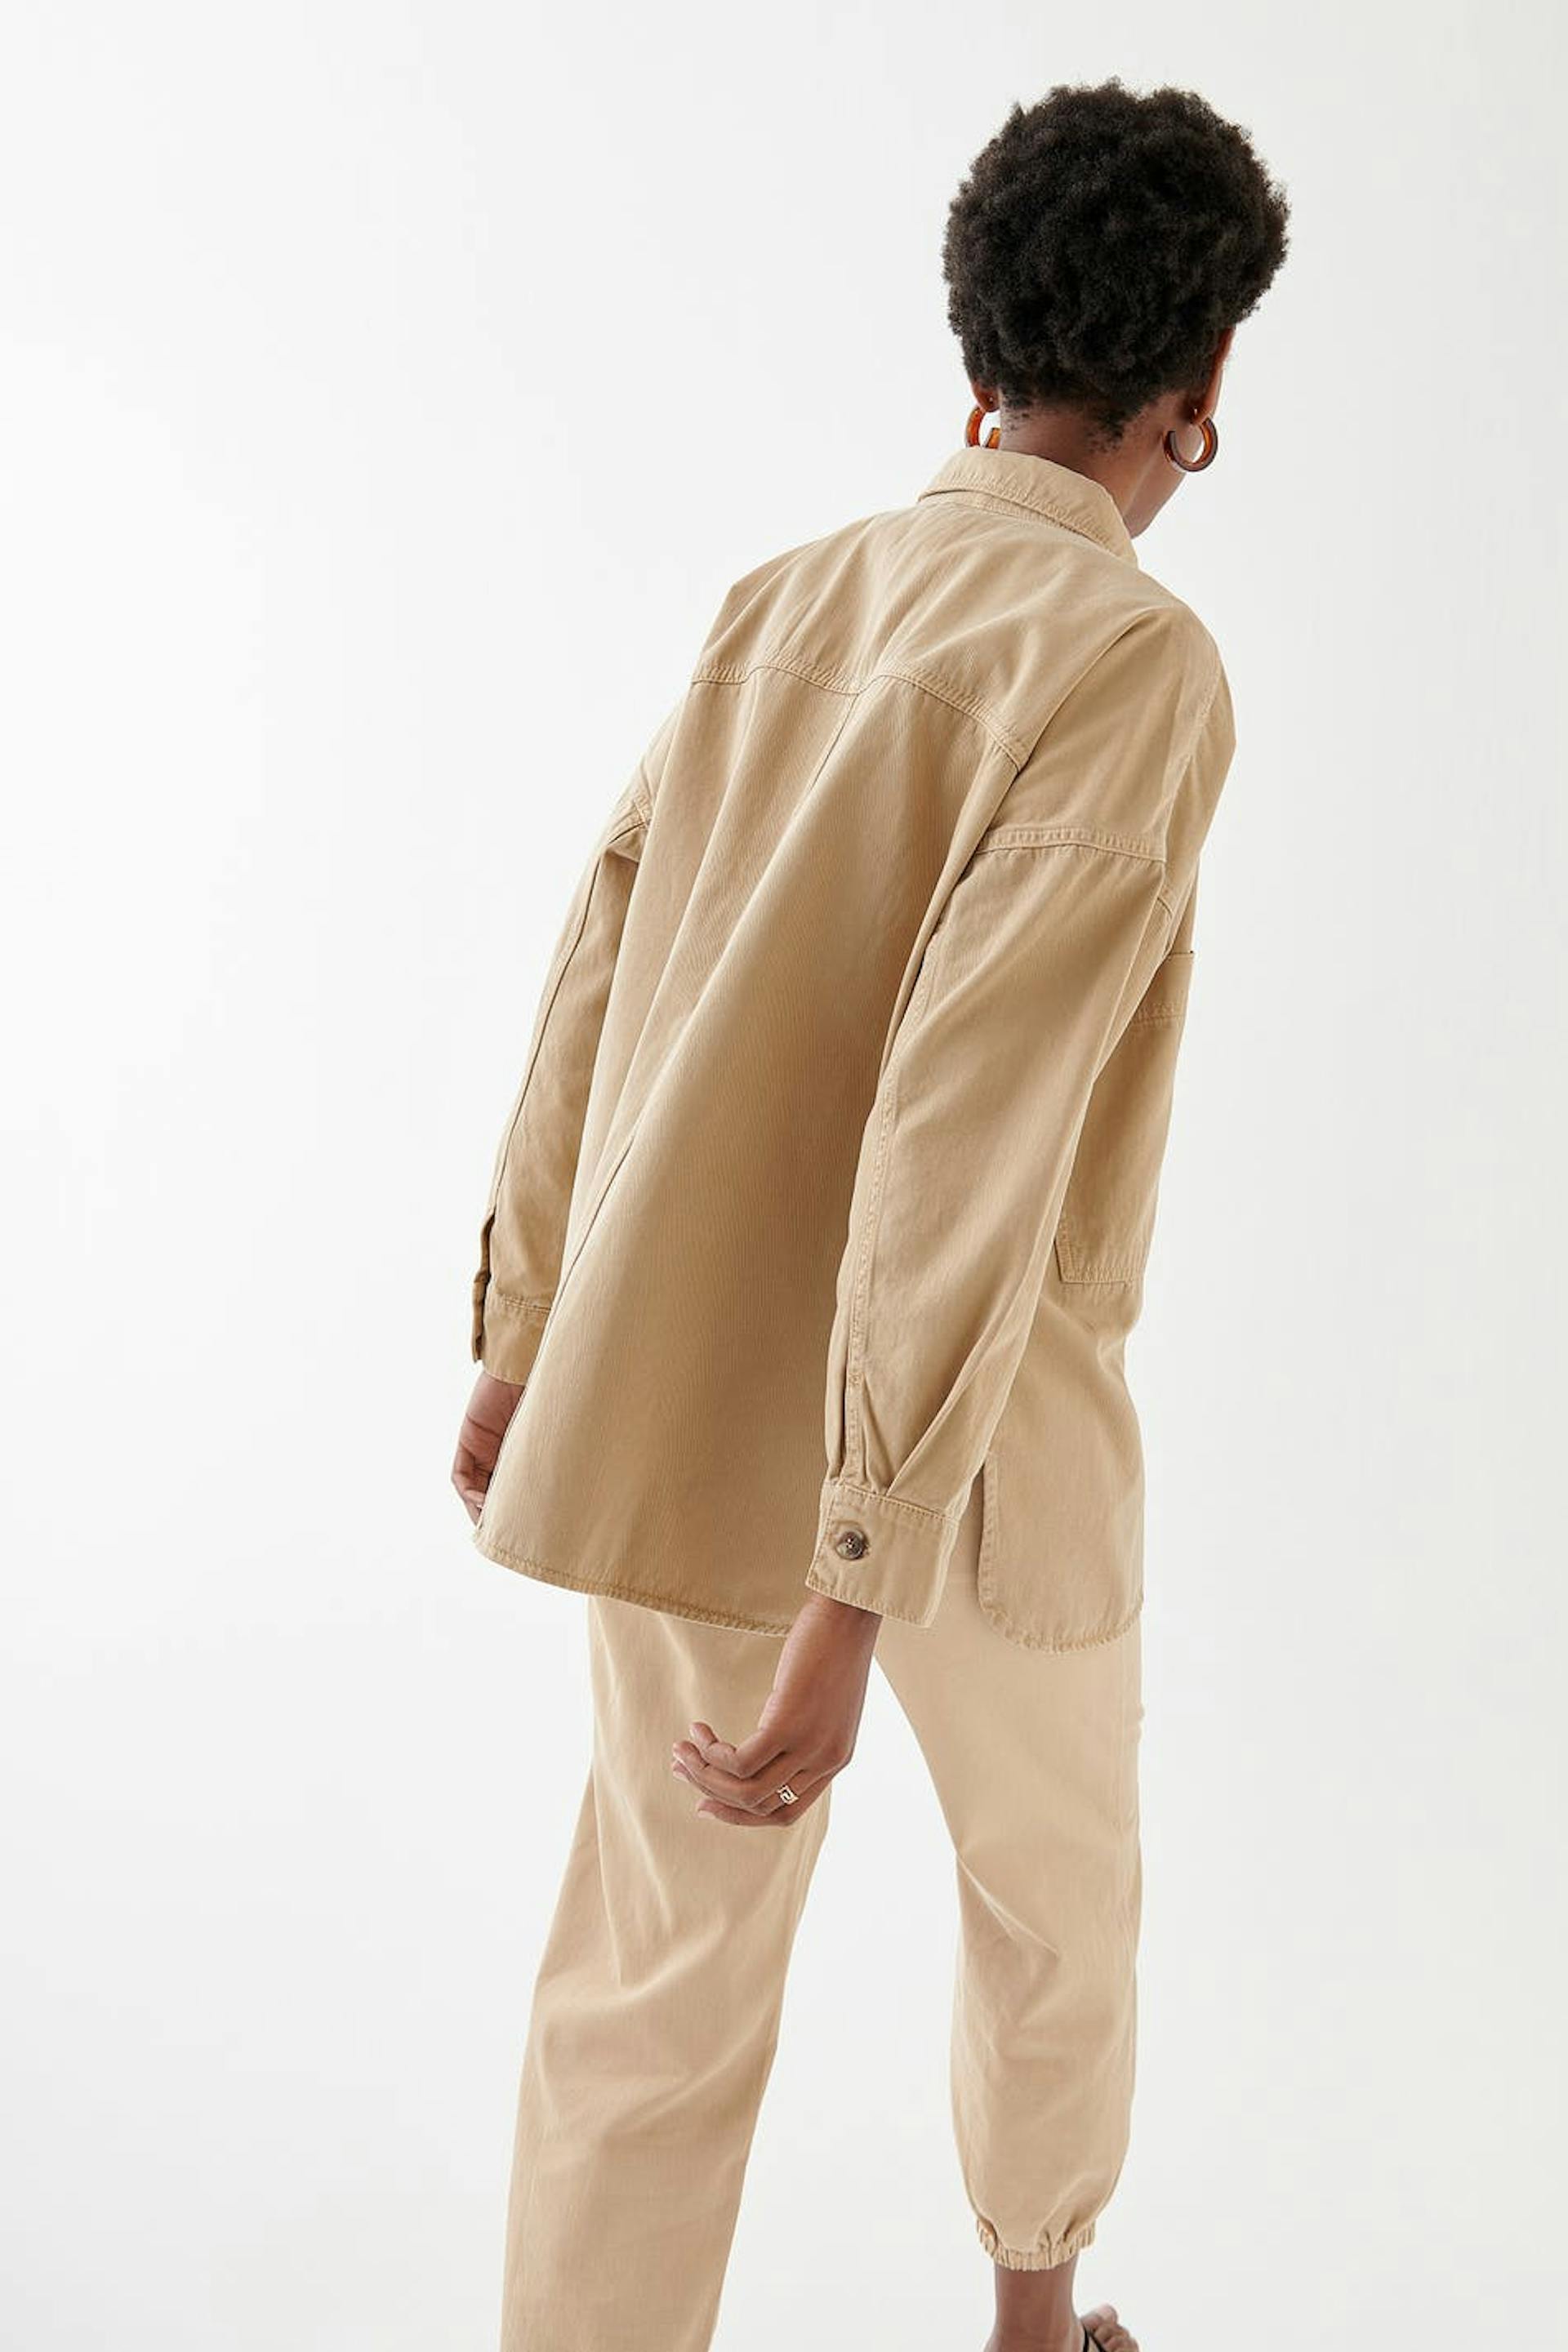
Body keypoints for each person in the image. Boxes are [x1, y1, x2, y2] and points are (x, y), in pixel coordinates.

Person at [451, 76, 1289, 2352]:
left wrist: (529, 1328)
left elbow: (599, 957)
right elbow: (968, 1121)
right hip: (981, 1437)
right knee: (1057, 1904)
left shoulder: (788, 598)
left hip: (681, 1384)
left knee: (654, 1968)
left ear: (972, 335)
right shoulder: (1131, 660)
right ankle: (1035, 2336)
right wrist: (856, 1570)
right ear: (1204, 379)